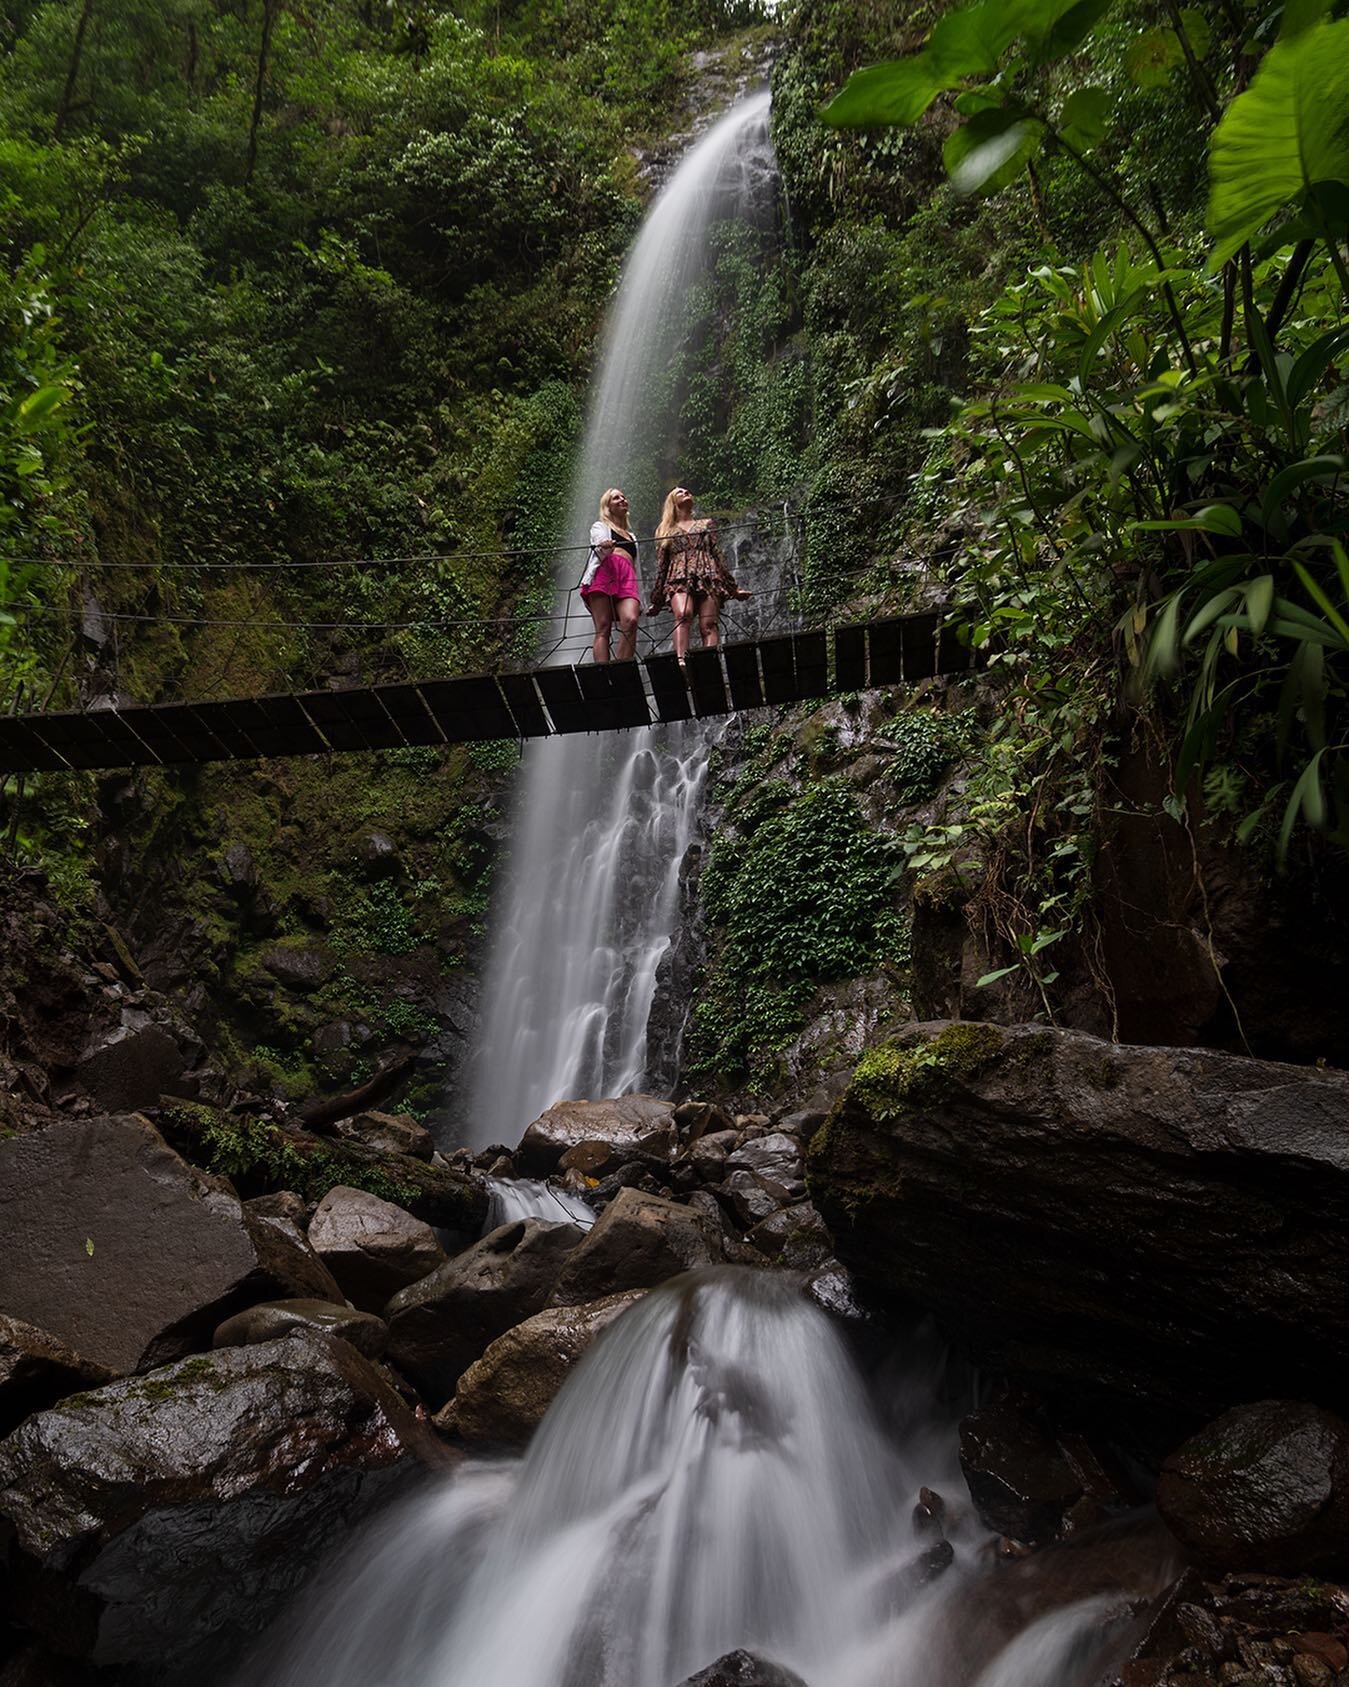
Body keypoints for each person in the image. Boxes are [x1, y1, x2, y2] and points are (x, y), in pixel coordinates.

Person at [649, 486, 751, 663]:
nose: (686, 492)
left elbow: (718, 555)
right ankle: (682, 660)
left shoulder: (706, 524)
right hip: (678, 577)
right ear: (672, 502)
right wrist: (657, 600)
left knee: (709, 625)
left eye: (688, 491)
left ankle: (709, 664)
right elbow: (662, 565)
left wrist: (733, 589)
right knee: (682, 614)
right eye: (680, 492)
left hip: (708, 576)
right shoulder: (665, 530)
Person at [579, 488, 641, 663]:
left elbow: (637, 566)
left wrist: (641, 598)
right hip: (605, 571)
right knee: (603, 627)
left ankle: (621, 668)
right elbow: (598, 545)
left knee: (631, 620)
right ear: (608, 506)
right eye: (616, 498)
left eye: (623, 496)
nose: (622, 499)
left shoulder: (632, 536)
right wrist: (604, 546)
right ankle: (604, 671)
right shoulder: (600, 526)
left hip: (627, 576)